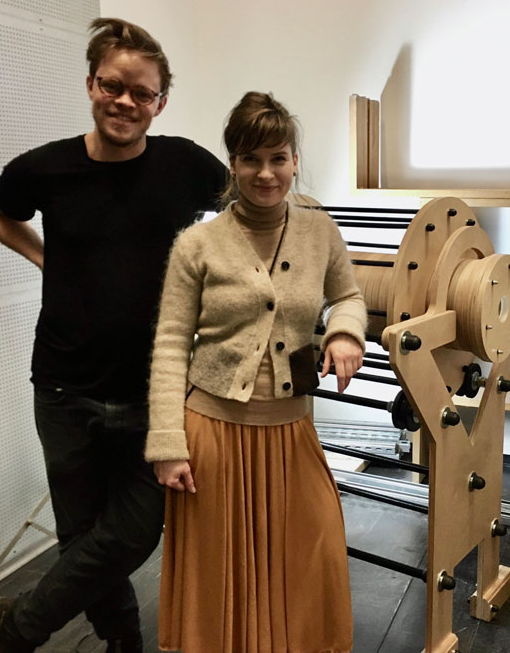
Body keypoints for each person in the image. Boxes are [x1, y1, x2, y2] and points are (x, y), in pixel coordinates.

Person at [0, 18, 227, 651]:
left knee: (135, 531)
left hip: (153, 392)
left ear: (160, 102)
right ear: (91, 84)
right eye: (113, 86)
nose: (125, 102)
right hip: (63, 389)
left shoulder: (185, 164)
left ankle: (21, 624)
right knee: (81, 536)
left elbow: (249, 209)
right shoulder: (46, 168)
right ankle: (123, 644)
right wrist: (45, 259)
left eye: (142, 93)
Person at [144, 91, 365, 652]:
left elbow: (349, 296)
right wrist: (167, 443)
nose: (266, 174)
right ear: (233, 165)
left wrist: (344, 332)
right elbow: (170, 343)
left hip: (290, 431)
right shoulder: (197, 243)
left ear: (294, 160)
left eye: (277, 158)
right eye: (251, 160)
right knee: (222, 574)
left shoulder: (320, 231)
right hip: (213, 434)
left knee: (310, 553)